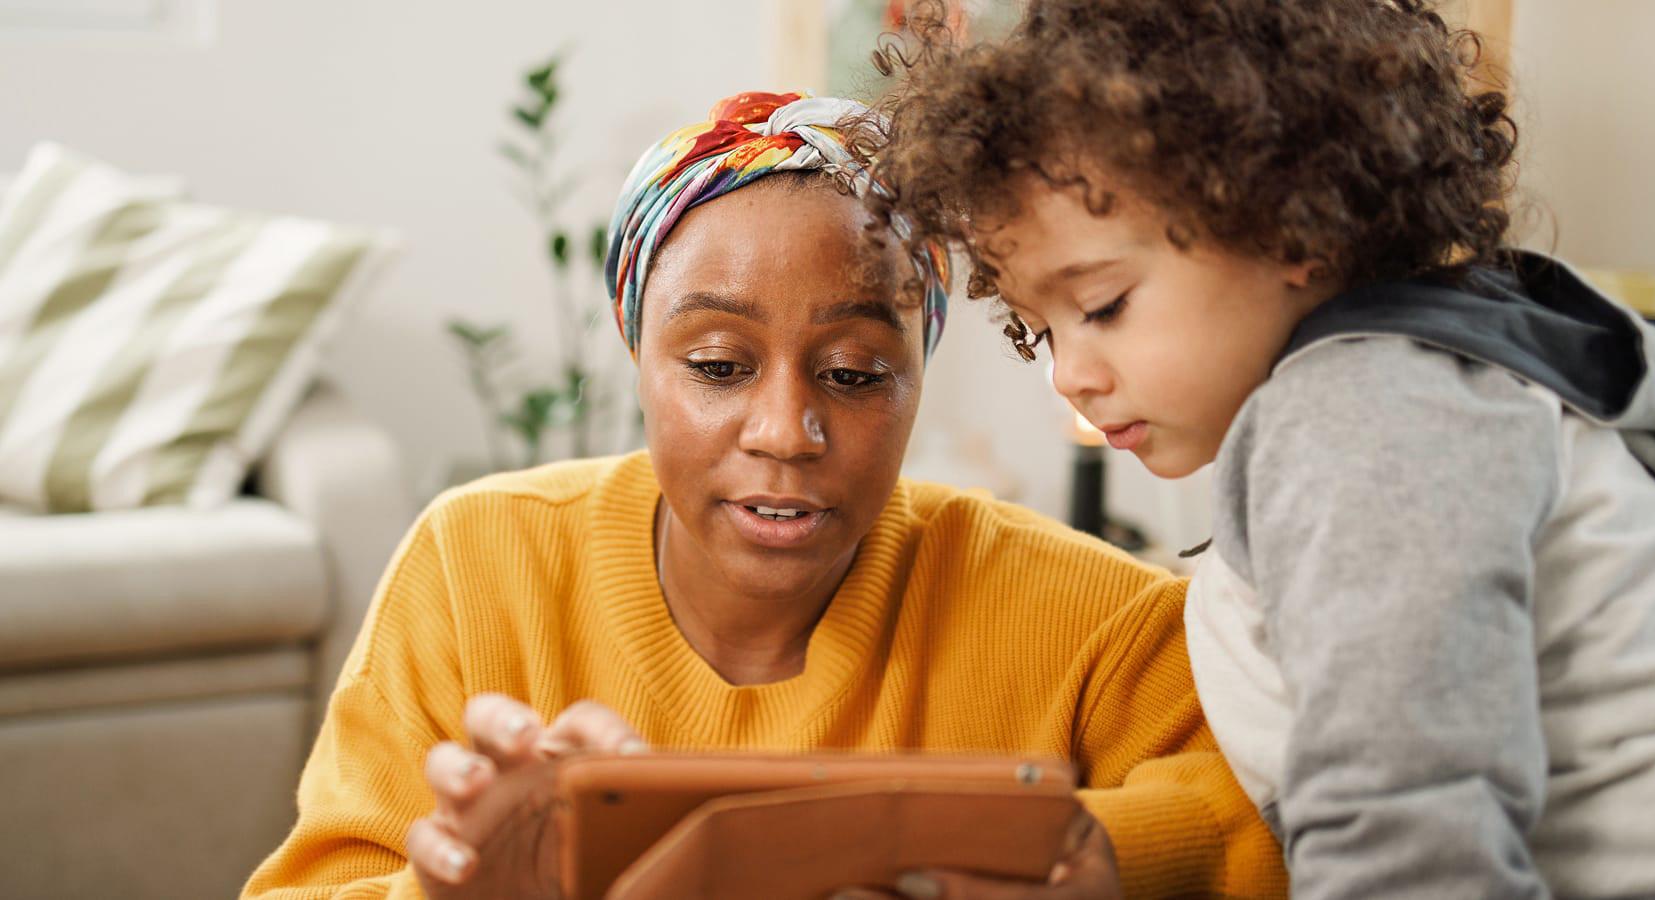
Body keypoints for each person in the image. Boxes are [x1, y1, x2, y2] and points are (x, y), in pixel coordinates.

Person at [242, 91, 1286, 900]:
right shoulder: (477, 565)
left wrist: (1100, 856)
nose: (786, 433)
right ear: (638, 355)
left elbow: (1267, 830)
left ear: (917, 377)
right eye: (716, 364)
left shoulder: (1093, 620)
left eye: (853, 374)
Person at [861, 1, 1655, 897]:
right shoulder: (1450, 368)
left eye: (1103, 306)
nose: (1069, 375)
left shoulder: (1364, 419)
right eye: (1041, 333)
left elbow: (1410, 833)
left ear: (1295, 226)